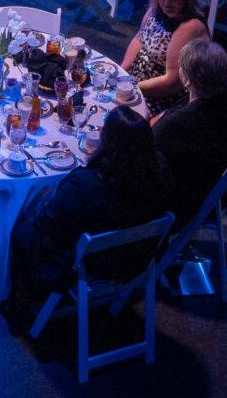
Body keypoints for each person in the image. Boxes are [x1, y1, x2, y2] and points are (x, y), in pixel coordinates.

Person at [13, 104, 171, 302]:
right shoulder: (160, 171)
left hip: (91, 267)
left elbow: (47, 224)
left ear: (108, 142)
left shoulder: (86, 184)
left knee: (20, 230)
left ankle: (20, 300)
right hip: (136, 261)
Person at [152, 37, 227, 223]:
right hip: (221, 187)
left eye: (181, 67)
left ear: (187, 80)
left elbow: (147, 156)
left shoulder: (178, 124)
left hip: (184, 205)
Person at [125, 0, 214, 110]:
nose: (167, 2)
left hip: (162, 100)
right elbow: (138, 40)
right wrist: (121, 73)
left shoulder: (189, 27)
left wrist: (131, 89)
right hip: (135, 87)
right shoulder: (154, 12)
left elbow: (172, 82)